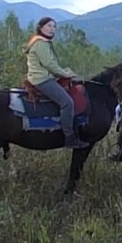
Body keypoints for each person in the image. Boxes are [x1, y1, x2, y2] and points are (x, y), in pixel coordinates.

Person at [24, 16, 89, 149]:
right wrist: (65, 73)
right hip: (42, 79)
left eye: (54, 27)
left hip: (40, 76)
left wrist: (63, 71)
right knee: (67, 102)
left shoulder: (38, 42)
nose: (52, 29)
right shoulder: (41, 43)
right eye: (49, 26)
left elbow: (50, 65)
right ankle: (70, 138)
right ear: (40, 27)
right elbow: (49, 64)